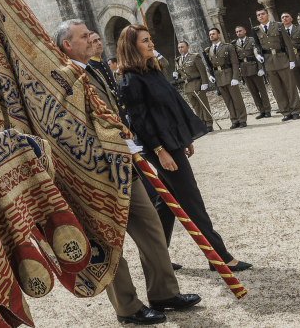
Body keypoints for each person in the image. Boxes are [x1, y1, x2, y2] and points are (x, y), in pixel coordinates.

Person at [49, 22, 199, 324]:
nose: (91, 39)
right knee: (107, 241)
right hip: (95, 172)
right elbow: (68, 128)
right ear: (67, 45)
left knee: (151, 227)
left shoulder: (95, 69)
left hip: (125, 167)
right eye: (82, 36)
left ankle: (163, 292)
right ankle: (128, 307)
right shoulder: (61, 78)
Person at [116, 24, 253, 276]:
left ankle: (158, 255)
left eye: (150, 39)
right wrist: (160, 150)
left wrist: (185, 137)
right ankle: (219, 256)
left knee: (167, 201)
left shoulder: (152, 70)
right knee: (190, 197)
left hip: (172, 140)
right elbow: (140, 122)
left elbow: (172, 106)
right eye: (144, 41)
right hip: (158, 145)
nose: (151, 44)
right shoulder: (129, 80)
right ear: (131, 46)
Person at [254, 8, 300, 120]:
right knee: (277, 89)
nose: (260, 16)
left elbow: (288, 44)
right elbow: (255, 46)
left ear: (268, 15)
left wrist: (292, 60)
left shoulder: (279, 26)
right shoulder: (256, 30)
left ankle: (295, 110)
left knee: (290, 87)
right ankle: (285, 111)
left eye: (262, 14)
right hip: (268, 62)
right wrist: (257, 54)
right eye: (258, 15)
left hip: (282, 59)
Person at [206, 28, 247, 128]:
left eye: (213, 34)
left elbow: (235, 63)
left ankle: (242, 119)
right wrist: (210, 75)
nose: (212, 36)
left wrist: (235, 77)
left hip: (229, 75)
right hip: (218, 77)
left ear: (219, 35)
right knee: (227, 100)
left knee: (237, 99)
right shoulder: (209, 50)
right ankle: (234, 120)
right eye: (210, 34)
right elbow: (209, 66)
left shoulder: (228, 47)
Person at [172, 41, 215, 132]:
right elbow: (182, 74)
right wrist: (177, 76)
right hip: (188, 86)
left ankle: (209, 123)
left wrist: (205, 83)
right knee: (196, 106)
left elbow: (202, 70)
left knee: (203, 104)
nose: (180, 49)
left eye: (182, 47)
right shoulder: (178, 60)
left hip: (197, 84)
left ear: (188, 48)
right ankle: (202, 123)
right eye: (179, 47)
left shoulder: (194, 57)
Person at [232, 25, 271, 118]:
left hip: (254, 67)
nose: (238, 33)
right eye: (237, 32)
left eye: (240, 31)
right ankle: (261, 110)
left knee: (262, 90)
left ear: (245, 31)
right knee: (253, 92)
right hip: (244, 70)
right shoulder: (235, 43)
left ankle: (267, 109)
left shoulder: (252, 40)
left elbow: (257, 53)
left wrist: (260, 68)